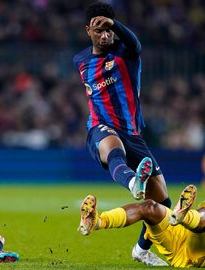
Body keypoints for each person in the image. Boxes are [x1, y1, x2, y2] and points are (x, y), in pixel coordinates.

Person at [73, 2, 172, 266]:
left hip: (133, 133)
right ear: (88, 31)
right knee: (113, 148)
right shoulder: (80, 61)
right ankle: (131, 182)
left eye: (108, 30)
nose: (104, 36)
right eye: (98, 30)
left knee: (163, 201)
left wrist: (114, 24)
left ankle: (141, 250)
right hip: (100, 128)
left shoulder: (126, 53)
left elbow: (136, 44)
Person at [78, 184, 205, 267]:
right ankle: (97, 223)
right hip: (179, 231)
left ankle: (183, 216)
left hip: (193, 254)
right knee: (149, 207)